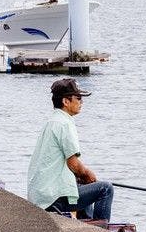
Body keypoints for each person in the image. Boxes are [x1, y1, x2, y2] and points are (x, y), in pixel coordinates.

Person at [26, 77, 114, 221]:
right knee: (105, 189)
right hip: (53, 198)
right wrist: (87, 174)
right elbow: (73, 163)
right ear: (66, 101)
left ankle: (85, 222)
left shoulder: (51, 122)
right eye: (78, 98)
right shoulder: (65, 123)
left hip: (40, 195)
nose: (81, 102)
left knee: (80, 182)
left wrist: (83, 176)